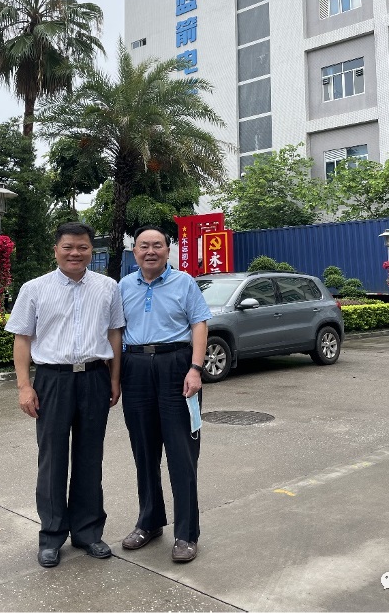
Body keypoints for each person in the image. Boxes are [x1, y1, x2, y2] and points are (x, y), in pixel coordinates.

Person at [5, 222, 124, 569]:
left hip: (94, 377)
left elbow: (114, 334)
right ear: (56, 250)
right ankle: (52, 535)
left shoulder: (108, 287)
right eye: (68, 247)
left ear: (91, 250)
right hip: (52, 380)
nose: (75, 253)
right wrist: (24, 386)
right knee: (52, 459)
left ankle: (88, 532)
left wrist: (114, 379)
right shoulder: (34, 289)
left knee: (90, 457)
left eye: (82, 247)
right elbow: (22, 339)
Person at [119, 225, 212, 563]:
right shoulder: (123, 286)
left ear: (167, 250)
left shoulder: (184, 282)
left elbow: (199, 324)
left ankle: (186, 533)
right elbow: (116, 331)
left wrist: (195, 368)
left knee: (181, 453)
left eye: (157, 245)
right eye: (144, 245)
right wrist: (115, 378)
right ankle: (149, 521)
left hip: (177, 366)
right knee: (144, 451)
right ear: (135, 250)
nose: (150, 251)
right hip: (135, 367)